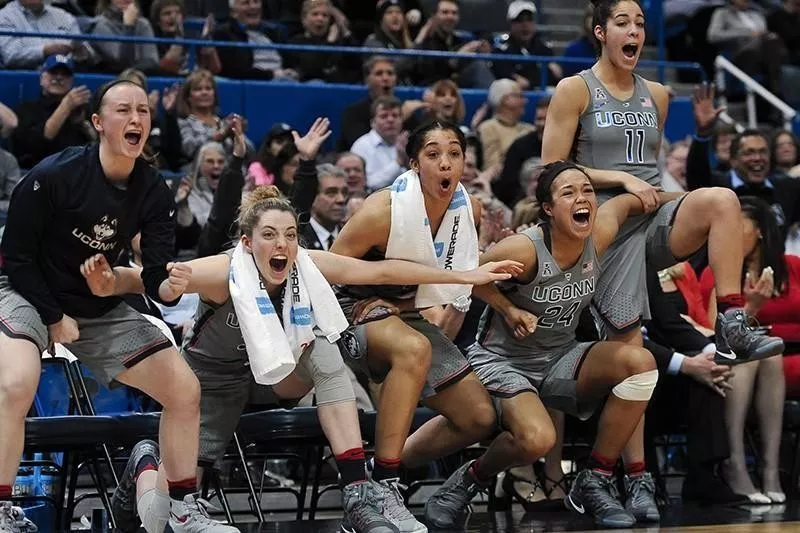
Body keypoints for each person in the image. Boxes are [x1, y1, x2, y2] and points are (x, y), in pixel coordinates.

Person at [80, 186, 521, 533]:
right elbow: (142, 279)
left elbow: (381, 272)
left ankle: (358, 488)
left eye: (290, 235)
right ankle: (144, 462)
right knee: (158, 518)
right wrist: (108, 282)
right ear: (247, 242)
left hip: (277, 377)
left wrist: (465, 274)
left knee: (320, 344)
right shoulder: (223, 272)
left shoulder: (306, 267)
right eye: (270, 235)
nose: (283, 244)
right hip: (214, 384)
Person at [541, 0, 784, 524]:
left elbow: (651, 171)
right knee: (633, 360)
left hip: (651, 216)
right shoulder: (575, 89)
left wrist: (655, 189)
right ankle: (629, 477)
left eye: (640, 23)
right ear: (600, 32)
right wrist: (620, 181)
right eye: (622, 23)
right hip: (602, 225)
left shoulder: (659, 94)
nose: (634, 31)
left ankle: (733, 319)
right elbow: (551, 170)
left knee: (721, 200)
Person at [0, 79, 234, 532]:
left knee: (185, 390)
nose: (136, 119)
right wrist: (53, 317)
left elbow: (156, 276)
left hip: (97, 305)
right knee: (15, 384)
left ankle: (183, 508)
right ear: (98, 123)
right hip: (28, 292)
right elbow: (18, 257)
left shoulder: (154, 191)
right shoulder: (52, 175)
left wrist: (169, 287)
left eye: (144, 111)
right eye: (124, 110)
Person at [424, 161, 668, 529]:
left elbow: (645, 200)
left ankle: (595, 478)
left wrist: (703, 199)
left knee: (641, 362)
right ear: (549, 209)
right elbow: (465, 277)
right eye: (568, 193)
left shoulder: (599, 231)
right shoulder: (524, 249)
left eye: (586, 191)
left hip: (559, 356)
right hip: (503, 360)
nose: (582, 198)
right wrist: (507, 309)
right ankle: (467, 480)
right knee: (538, 439)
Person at [330, 119, 500, 533]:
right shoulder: (382, 210)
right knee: (414, 348)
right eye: (433, 154)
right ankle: (387, 486)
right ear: (414, 163)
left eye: (455, 153)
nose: (446, 163)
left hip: (404, 313)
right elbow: (328, 267)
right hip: (348, 306)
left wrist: (510, 310)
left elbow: (463, 277)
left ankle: (373, 474)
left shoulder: (468, 209)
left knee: (478, 416)